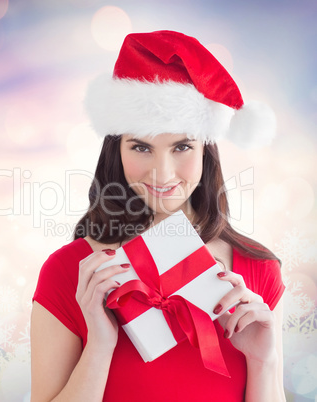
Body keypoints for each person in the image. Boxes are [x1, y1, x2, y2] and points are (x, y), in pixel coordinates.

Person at [30, 31, 285, 401]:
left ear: (206, 150)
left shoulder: (259, 270)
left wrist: (265, 361)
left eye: (182, 146)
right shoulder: (69, 273)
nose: (162, 175)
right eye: (141, 147)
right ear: (116, 150)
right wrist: (100, 346)